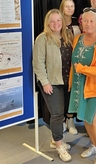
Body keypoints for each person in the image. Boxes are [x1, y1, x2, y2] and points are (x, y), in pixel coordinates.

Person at [68, 7, 96, 164]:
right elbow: (73, 63)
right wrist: (71, 82)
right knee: (85, 120)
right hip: (79, 86)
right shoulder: (78, 39)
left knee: (93, 121)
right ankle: (94, 145)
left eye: (91, 21)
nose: (88, 24)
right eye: (85, 21)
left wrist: (83, 69)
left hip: (94, 87)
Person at [33, 9, 73, 162]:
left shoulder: (67, 36)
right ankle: (59, 145)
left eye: (58, 20)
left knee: (62, 113)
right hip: (51, 82)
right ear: (47, 23)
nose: (56, 24)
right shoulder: (42, 39)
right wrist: (45, 82)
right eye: (52, 21)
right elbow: (38, 64)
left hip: (66, 81)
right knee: (57, 114)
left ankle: (54, 140)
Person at [59, 0, 80, 135]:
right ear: (62, 7)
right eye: (67, 6)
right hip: (60, 64)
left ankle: (70, 120)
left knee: (72, 91)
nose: (69, 8)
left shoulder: (78, 24)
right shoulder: (57, 23)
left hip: (74, 64)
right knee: (60, 93)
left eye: (72, 6)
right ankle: (61, 120)